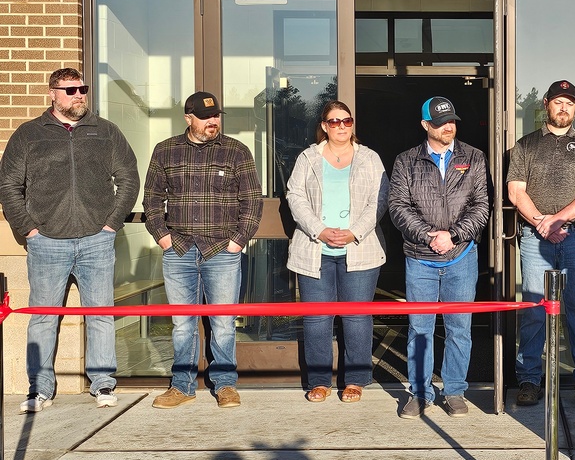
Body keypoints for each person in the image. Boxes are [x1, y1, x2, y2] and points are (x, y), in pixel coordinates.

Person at [0, 67, 139, 412]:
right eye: (70, 90)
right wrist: (30, 230)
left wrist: (110, 224)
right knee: (44, 316)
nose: (79, 95)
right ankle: (40, 388)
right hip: (47, 241)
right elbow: (8, 186)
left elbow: (128, 179)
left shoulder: (105, 131)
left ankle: (103, 384)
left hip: (97, 239)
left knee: (101, 314)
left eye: (83, 89)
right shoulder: (29, 134)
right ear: (52, 94)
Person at [143, 91, 263, 408]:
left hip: (222, 250)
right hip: (179, 249)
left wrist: (239, 240)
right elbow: (152, 200)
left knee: (223, 322)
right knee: (183, 324)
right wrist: (162, 236)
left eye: (216, 116)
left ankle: (225, 385)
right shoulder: (165, 151)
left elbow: (252, 201)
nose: (213, 122)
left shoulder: (236, 152)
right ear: (188, 118)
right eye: (206, 117)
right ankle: (182, 386)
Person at [388, 95, 489, 419]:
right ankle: (420, 393)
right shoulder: (406, 161)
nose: (449, 126)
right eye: (441, 122)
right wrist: (428, 235)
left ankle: (455, 391)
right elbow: (398, 207)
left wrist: (454, 234)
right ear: (425, 125)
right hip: (420, 259)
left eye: (452, 120)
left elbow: (482, 206)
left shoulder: (474, 157)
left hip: (461, 257)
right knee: (420, 329)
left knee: (459, 328)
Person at [507, 79, 575, 408]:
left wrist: (559, 219)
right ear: (546, 104)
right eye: (558, 102)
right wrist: (541, 223)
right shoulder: (526, 145)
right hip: (536, 239)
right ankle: (529, 379)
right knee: (535, 312)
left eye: (570, 103)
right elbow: (516, 191)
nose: (564, 108)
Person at [286, 99, 388, 403]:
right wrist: (318, 229)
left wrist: (355, 232)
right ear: (324, 126)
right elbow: (295, 196)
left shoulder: (370, 158)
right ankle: (319, 381)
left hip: (360, 248)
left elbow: (380, 199)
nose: (341, 126)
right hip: (315, 248)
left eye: (346, 121)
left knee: (356, 317)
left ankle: (355, 380)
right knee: (317, 319)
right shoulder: (308, 158)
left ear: (352, 124)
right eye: (334, 121)